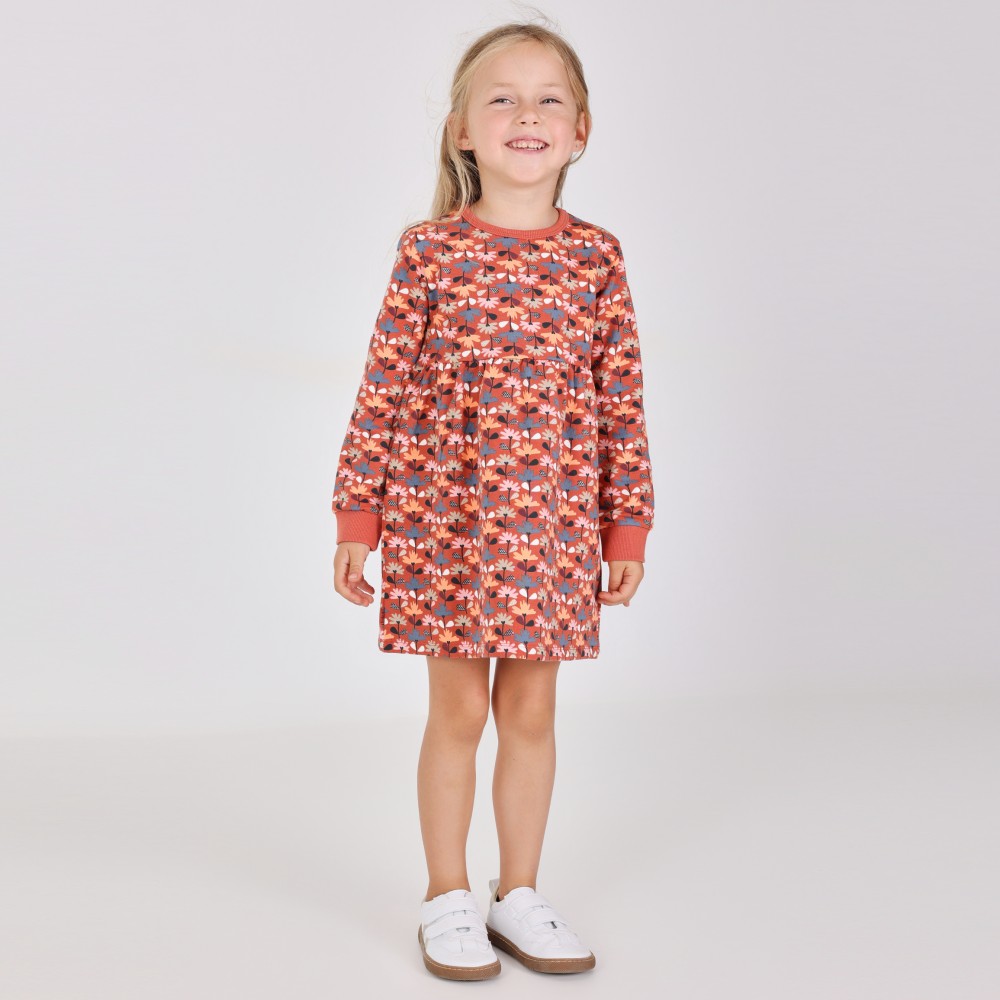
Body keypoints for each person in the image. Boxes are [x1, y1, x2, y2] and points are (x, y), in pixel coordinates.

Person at [330, 19, 654, 981]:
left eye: (549, 99)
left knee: (532, 711)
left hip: (550, 529)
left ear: (581, 130)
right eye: (502, 98)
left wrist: (627, 526)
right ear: (463, 131)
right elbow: (382, 387)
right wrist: (357, 515)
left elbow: (621, 400)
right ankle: (447, 897)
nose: (527, 115)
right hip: (446, 523)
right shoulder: (429, 253)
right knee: (461, 710)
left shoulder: (597, 259)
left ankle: (519, 894)